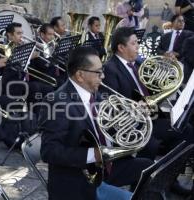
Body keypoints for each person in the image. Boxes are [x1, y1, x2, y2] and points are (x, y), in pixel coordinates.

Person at [39, 46, 153, 200]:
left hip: (106, 168)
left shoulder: (96, 94)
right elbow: (49, 152)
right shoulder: (56, 102)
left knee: (150, 169)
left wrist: (134, 116)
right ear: (80, 75)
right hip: (80, 179)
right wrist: (95, 154)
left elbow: (111, 128)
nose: (103, 76)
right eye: (98, 72)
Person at [102, 26, 194, 160]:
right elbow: (113, 103)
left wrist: (166, 72)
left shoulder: (136, 63)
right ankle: (164, 172)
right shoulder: (111, 69)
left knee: (186, 127)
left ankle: (170, 169)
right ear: (121, 47)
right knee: (184, 133)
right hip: (137, 123)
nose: (138, 47)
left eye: (137, 42)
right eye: (134, 43)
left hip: (153, 115)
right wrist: (138, 106)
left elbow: (152, 89)